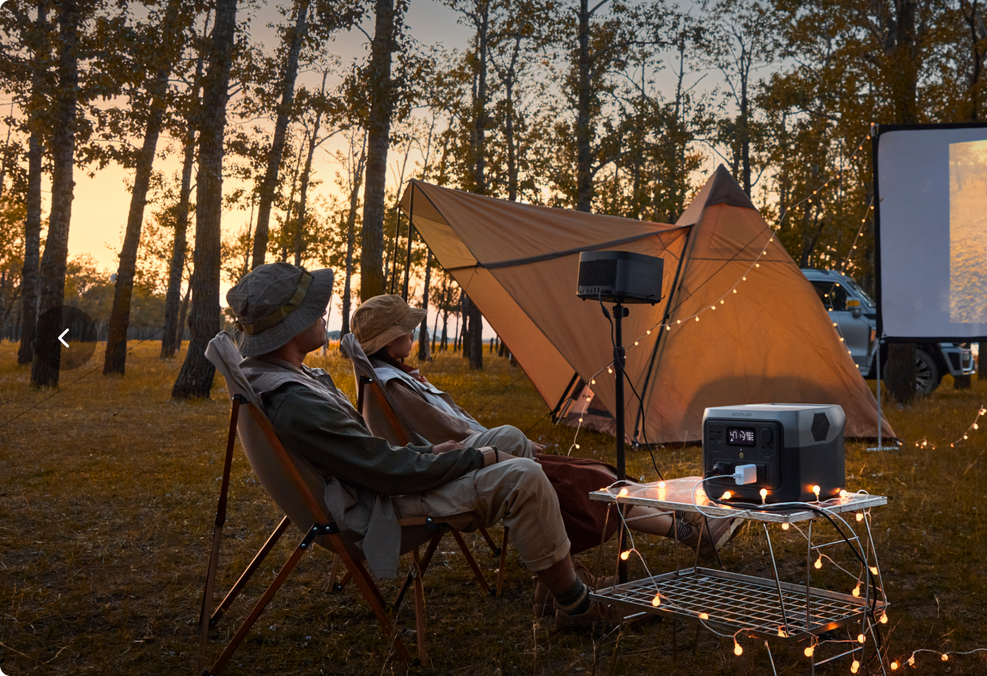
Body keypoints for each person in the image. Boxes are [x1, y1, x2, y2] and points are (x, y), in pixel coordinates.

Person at [225, 263, 614, 629]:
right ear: (290, 327)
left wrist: (430, 453)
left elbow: (367, 455)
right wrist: (475, 456)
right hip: (376, 507)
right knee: (523, 477)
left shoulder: (283, 378)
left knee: (510, 444)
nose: (322, 314)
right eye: (313, 310)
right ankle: (576, 605)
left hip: (375, 486)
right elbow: (385, 472)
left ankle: (554, 585)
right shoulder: (294, 399)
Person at [349, 295, 742, 612]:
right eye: (408, 330)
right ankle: (689, 531)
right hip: (470, 469)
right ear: (388, 341)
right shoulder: (394, 386)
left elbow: (453, 428)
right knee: (584, 484)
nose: (414, 334)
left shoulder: (399, 378)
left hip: (482, 461)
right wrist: (503, 443)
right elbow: (450, 434)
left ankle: (689, 526)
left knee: (590, 473)